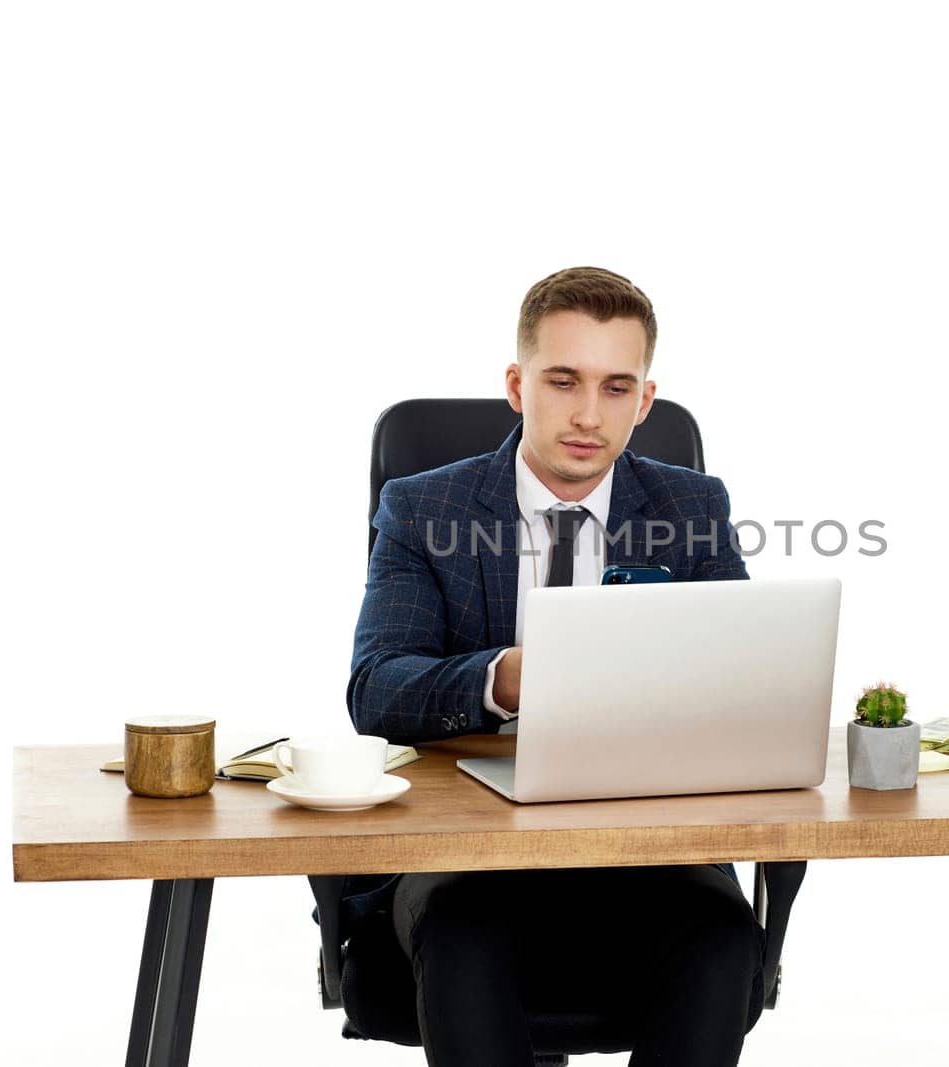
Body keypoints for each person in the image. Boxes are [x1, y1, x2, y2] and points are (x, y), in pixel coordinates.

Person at [343, 266, 765, 1066]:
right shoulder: (423, 507)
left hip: (647, 852)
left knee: (721, 937)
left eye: (616, 388)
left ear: (645, 401)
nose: (586, 414)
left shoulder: (691, 507)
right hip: (470, 858)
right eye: (563, 380)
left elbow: (739, 680)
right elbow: (377, 687)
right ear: (516, 383)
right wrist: (501, 677)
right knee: (465, 934)